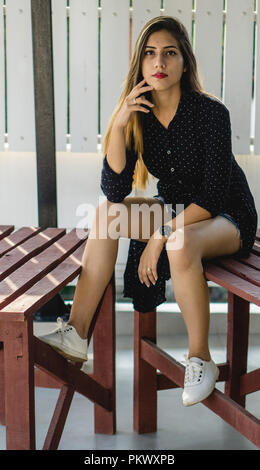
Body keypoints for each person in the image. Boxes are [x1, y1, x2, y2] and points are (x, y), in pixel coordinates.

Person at [39, 16, 258, 406]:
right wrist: (121, 122)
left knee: (178, 242)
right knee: (106, 214)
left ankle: (200, 359)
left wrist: (160, 234)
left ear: (184, 63)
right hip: (175, 212)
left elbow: (210, 196)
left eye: (170, 53)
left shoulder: (211, 113)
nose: (160, 61)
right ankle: (76, 334)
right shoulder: (139, 115)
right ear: (141, 64)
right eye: (151, 54)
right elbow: (115, 190)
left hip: (227, 215)